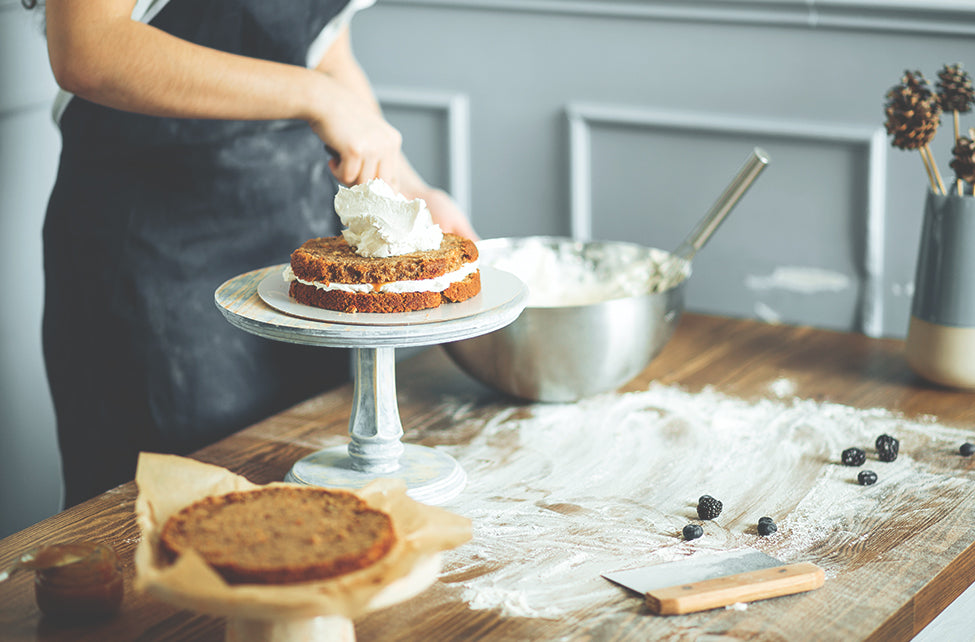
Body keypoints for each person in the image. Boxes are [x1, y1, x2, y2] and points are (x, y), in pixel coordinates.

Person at [27, 0, 476, 507]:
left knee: (308, 497)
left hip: (295, 252)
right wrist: (314, 96)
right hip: (151, 258)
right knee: (173, 519)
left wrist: (410, 194)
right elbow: (88, 47)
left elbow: (324, 50)